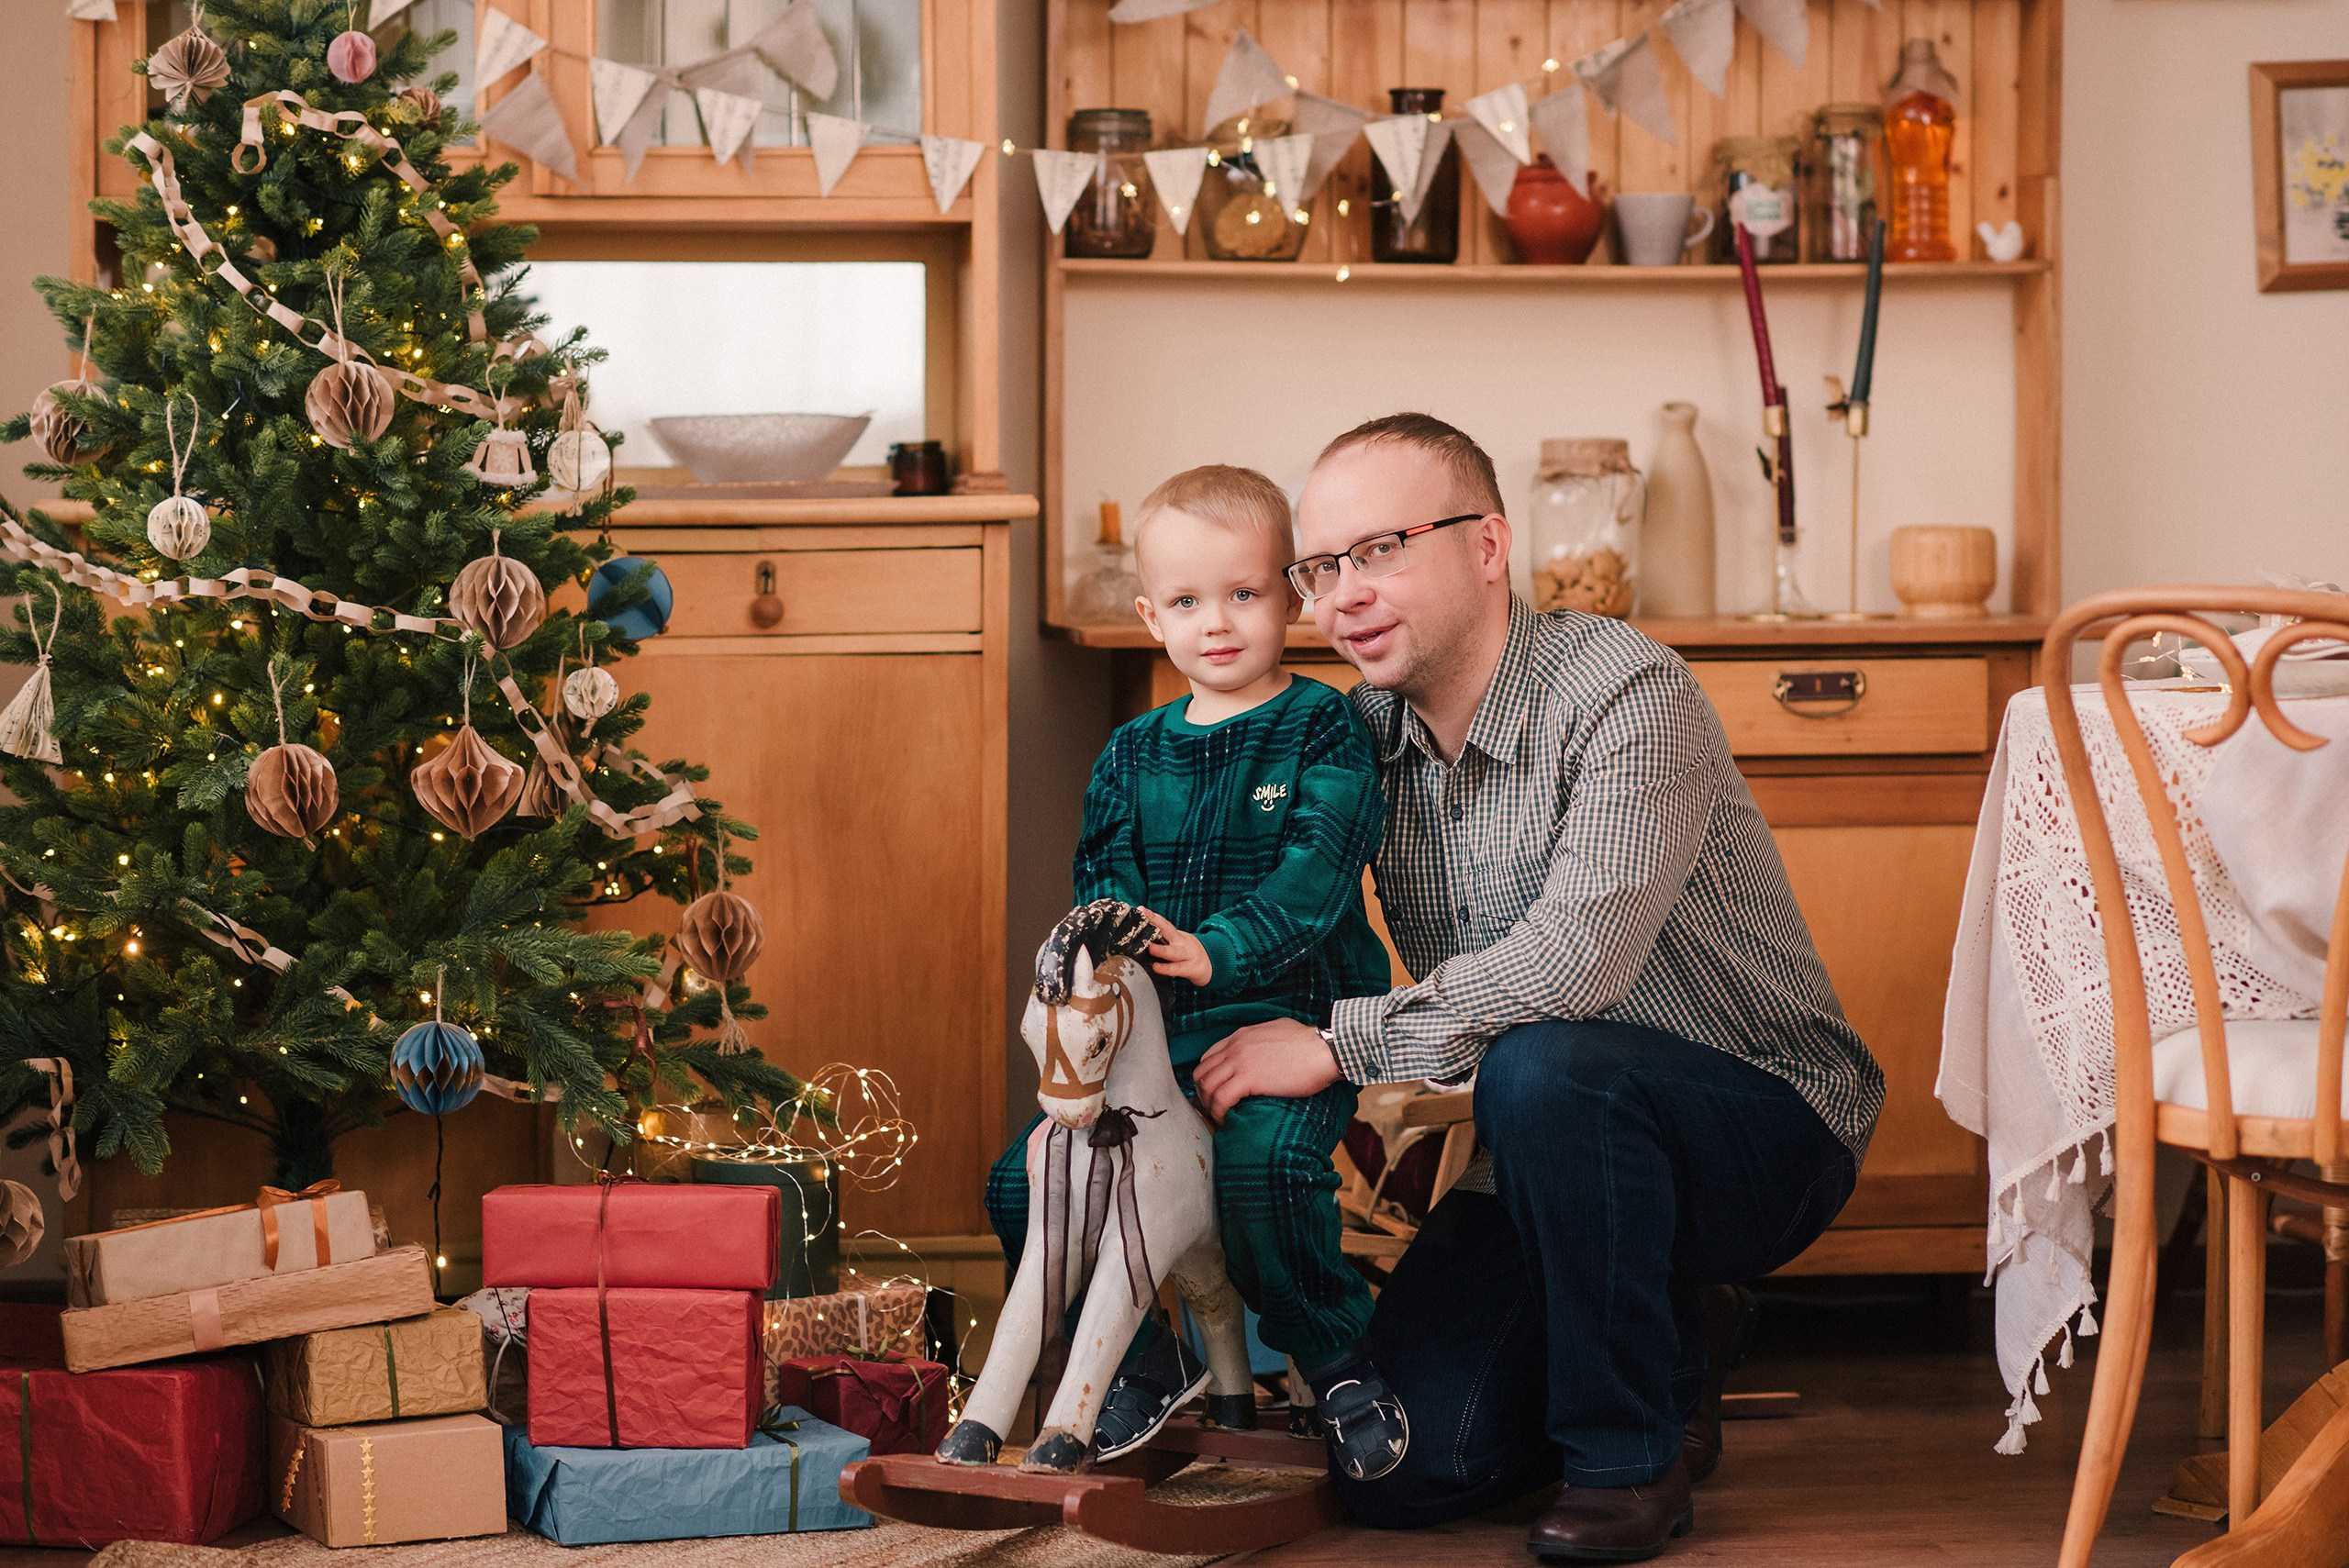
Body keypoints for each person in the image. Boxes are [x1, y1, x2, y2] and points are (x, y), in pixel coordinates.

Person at [1189, 415, 1884, 1562]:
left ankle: (1627, 1459)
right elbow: (1244, 885)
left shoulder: (1624, 689)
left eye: (1380, 550)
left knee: (1546, 1056)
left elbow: (1575, 964)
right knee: (1402, 1469)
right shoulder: (1353, 741)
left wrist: (1331, 1041)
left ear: (1488, 545)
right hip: (1541, 1148)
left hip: (1764, 1123)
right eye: (1320, 568)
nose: (1341, 596)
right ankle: (1666, 1333)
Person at [983, 463, 1411, 1481]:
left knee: (1263, 1173)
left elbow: (1319, 869)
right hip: (1153, 1046)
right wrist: (1118, 955)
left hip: (1286, 1025)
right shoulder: (1130, 753)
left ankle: (1340, 1358)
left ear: (1290, 596)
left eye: (1243, 593)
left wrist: (1223, 948)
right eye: (1185, 601)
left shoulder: (1323, 723)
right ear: (1150, 615)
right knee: (1020, 1182)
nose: (1214, 623)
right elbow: (1103, 891)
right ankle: (1146, 1358)